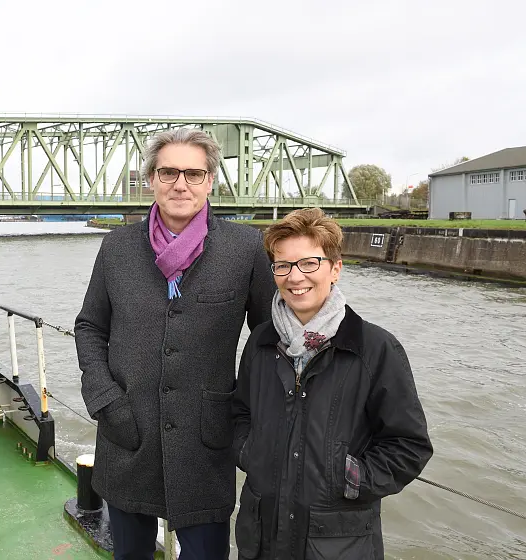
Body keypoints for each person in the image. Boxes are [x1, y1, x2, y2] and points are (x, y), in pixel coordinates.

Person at [74, 128, 276, 559]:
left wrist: (250, 419)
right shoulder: (117, 247)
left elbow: (267, 339)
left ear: (210, 182)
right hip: (127, 435)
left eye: (193, 173)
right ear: (150, 179)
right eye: (168, 172)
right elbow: (90, 326)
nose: (180, 184)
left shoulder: (244, 248)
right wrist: (106, 400)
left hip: (206, 442)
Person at [231, 208, 433, 560]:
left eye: (309, 263)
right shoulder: (262, 340)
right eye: (283, 265)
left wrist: (351, 478)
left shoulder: (375, 348)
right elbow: (239, 413)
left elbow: (409, 445)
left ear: (335, 269)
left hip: (338, 543)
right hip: (263, 535)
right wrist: (252, 454)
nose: (295, 277)